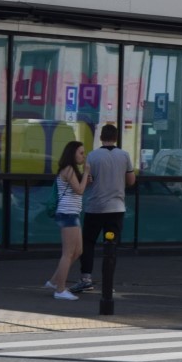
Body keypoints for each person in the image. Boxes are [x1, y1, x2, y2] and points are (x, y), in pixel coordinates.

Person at [72, 124, 135, 293]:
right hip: (117, 207)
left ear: (101, 137)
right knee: (111, 246)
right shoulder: (124, 155)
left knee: (89, 243)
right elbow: (131, 180)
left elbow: (88, 179)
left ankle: (86, 278)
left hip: (95, 207)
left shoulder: (92, 156)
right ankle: (109, 282)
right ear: (116, 137)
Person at [46, 141, 89, 300]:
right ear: (72, 153)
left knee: (78, 251)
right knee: (68, 253)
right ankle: (60, 289)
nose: (83, 156)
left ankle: (54, 281)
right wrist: (85, 173)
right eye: (81, 153)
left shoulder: (71, 170)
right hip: (67, 213)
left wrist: (85, 176)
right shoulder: (69, 169)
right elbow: (79, 190)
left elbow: (78, 189)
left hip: (73, 213)